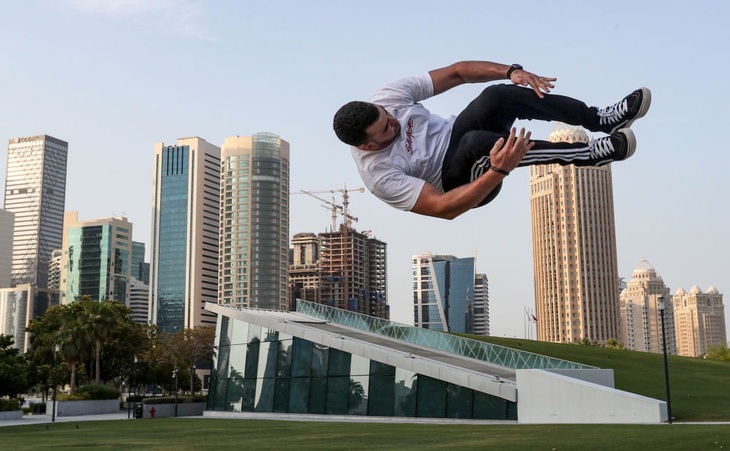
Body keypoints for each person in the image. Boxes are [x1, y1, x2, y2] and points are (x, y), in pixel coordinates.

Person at [332, 61, 651, 220]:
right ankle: (591, 153)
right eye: (387, 130)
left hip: (459, 133)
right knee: (475, 142)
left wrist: (510, 71)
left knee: (495, 96)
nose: (394, 123)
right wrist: (496, 172)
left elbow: (457, 73)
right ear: (368, 146)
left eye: (388, 115)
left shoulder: (388, 97)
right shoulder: (378, 175)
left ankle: (603, 118)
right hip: (460, 183)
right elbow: (444, 209)